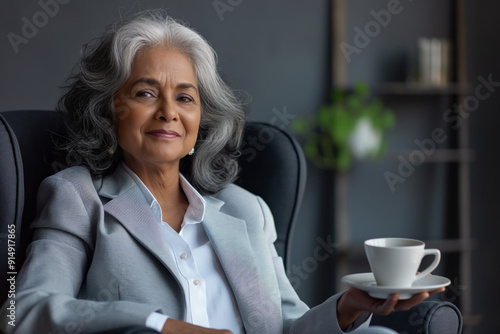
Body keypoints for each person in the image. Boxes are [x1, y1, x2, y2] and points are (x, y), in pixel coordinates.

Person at [0, 10, 444, 334]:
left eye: (186, 98)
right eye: (145, 92)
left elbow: (286, 327)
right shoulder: (78, 197)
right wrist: (159, 326)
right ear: (108, 111)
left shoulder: (245, 209)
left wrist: (346, 308)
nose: (168, 112)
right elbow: (27, 311)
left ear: (199, 125)